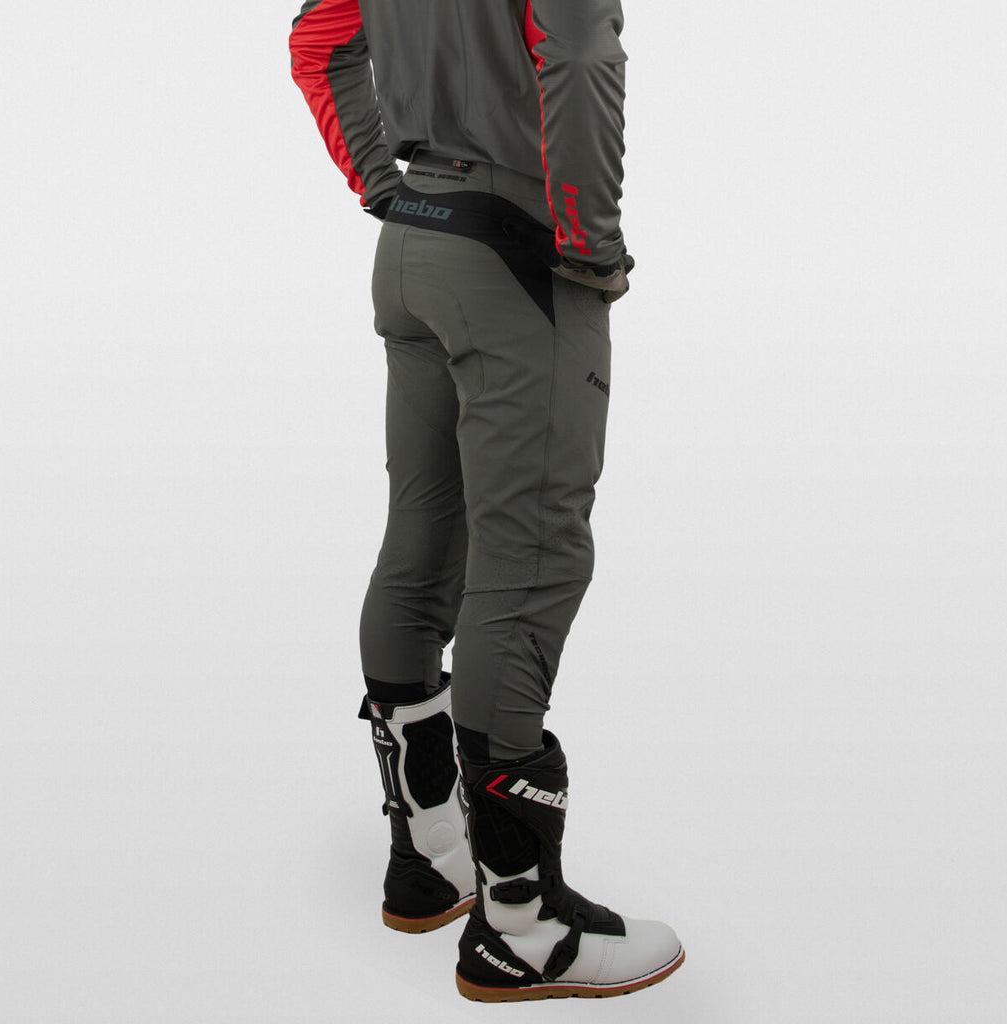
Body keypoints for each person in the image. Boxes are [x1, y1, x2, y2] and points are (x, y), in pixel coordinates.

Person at [288, 0, 683, 1002]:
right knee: (531, 560)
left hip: (415, 237)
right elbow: (577, 51)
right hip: (516, 250)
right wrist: (589, 242)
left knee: (423, 535)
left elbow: (319, 42)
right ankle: (523, 925)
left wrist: (384, 183)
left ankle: (429, 857)